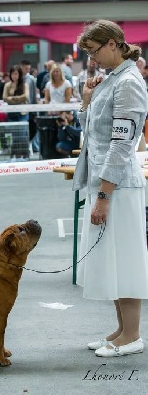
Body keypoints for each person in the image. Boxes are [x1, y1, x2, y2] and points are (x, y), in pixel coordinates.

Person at [73, 19, 148, 357]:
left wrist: (104, 195)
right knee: (112, 259)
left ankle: (132, 336)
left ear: (114, 44)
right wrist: (87, 99)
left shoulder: (129, 82)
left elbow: (121, 145)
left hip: (118, 186)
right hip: (104, 182)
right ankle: (121, 330)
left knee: (126, 260)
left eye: (94, 51)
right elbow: (90, 129)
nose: (93, 60)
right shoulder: (110, 80)